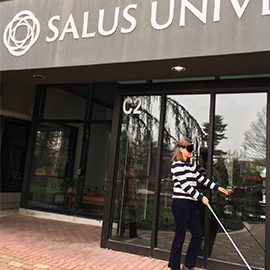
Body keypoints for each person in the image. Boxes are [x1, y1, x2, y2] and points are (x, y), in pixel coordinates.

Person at [168, 139, 229, 270]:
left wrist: (218, 188)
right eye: (189, 149)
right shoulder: (176, 165)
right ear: (181, 149)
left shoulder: (191, 167)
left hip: (191, 205)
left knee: (197, 234)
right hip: (180, 204)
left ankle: (188, 265)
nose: (192, 152)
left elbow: (203, 180)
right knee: (180, 236)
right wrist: (201, 198)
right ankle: (174, 267)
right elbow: (186, 186)